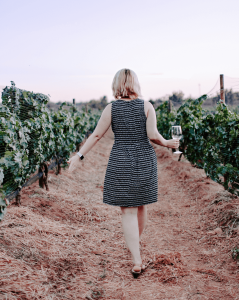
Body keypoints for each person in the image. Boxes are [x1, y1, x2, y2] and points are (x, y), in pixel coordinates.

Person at [67, 68, 179, 278]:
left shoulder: (111, 109)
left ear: (116, 84)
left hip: (121, 160)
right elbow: (152, 135)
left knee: (127, 211)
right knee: (141, 204)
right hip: (144, 158)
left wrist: (79, 156)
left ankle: (136, 259)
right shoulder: (147, 106)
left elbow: (97, 135)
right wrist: (167, 143)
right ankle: (134, 245)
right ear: (135, 84)